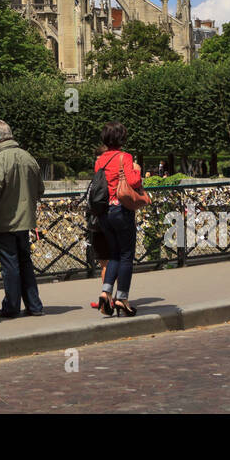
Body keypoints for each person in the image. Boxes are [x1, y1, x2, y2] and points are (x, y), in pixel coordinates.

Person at [0, 120, 45, 318]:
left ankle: (12, 306)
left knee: (10, 265)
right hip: (25, 221)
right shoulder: (28, 157)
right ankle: (34, 305)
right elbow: (40, 189)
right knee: (25, 262)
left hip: (3, 222)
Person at [92, 122, 144, 316]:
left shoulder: (100, 160)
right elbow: (133, 181)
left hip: (104, 212)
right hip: (121, 210)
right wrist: (137, 169)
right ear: (122, 138)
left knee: (113, 254)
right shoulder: (125, 157)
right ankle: (122, 298)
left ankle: (105, 294)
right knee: (126, 255)